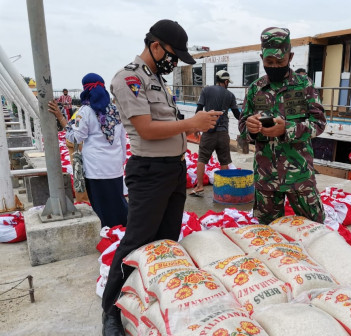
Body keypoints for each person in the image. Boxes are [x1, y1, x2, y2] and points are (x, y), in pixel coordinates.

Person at [101, 19, 222, 335]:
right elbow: (146, 129)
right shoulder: (130, 78)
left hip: (173, 170)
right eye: (172, 55)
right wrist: (191, 123)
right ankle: (111, 310)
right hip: (150, 172)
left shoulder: (155, 79)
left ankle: (152, 299)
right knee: (136, 241)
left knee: (167, 239)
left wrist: (194, 124)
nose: (175, 62)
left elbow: (166, 123)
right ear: (155, 46)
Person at [238, 27, 326, 225]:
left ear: (290, 56)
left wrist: (286, 129)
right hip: (266, 177)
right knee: (266, 235)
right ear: (262, 58)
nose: (275, 66)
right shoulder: (255, 89)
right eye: (269, 62)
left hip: (299, 175)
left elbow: (319, 123)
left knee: (314, 229)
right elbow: (243, 125)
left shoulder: (304, 85)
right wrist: (250, 129)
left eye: (280, 61)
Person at [48, 73, 128, 228]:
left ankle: (109, 232)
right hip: (115, 167)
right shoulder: (116, 110)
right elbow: (122, 139)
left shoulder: (85, 111)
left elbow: (76, 138)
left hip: (96, 168)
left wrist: (61, 118)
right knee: (117, 202)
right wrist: (120, 159)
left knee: (102, 206)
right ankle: (124, 230)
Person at [190, 70, 241, 196]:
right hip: (223, 133)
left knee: (202, 158)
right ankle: (223, 188)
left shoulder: (206, 90)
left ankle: (199, 186)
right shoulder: (230, 95)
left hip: (208, 131)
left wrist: (196, 128)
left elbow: (198, 111)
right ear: (226, 81)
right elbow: (237, 114)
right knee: (224, 161)